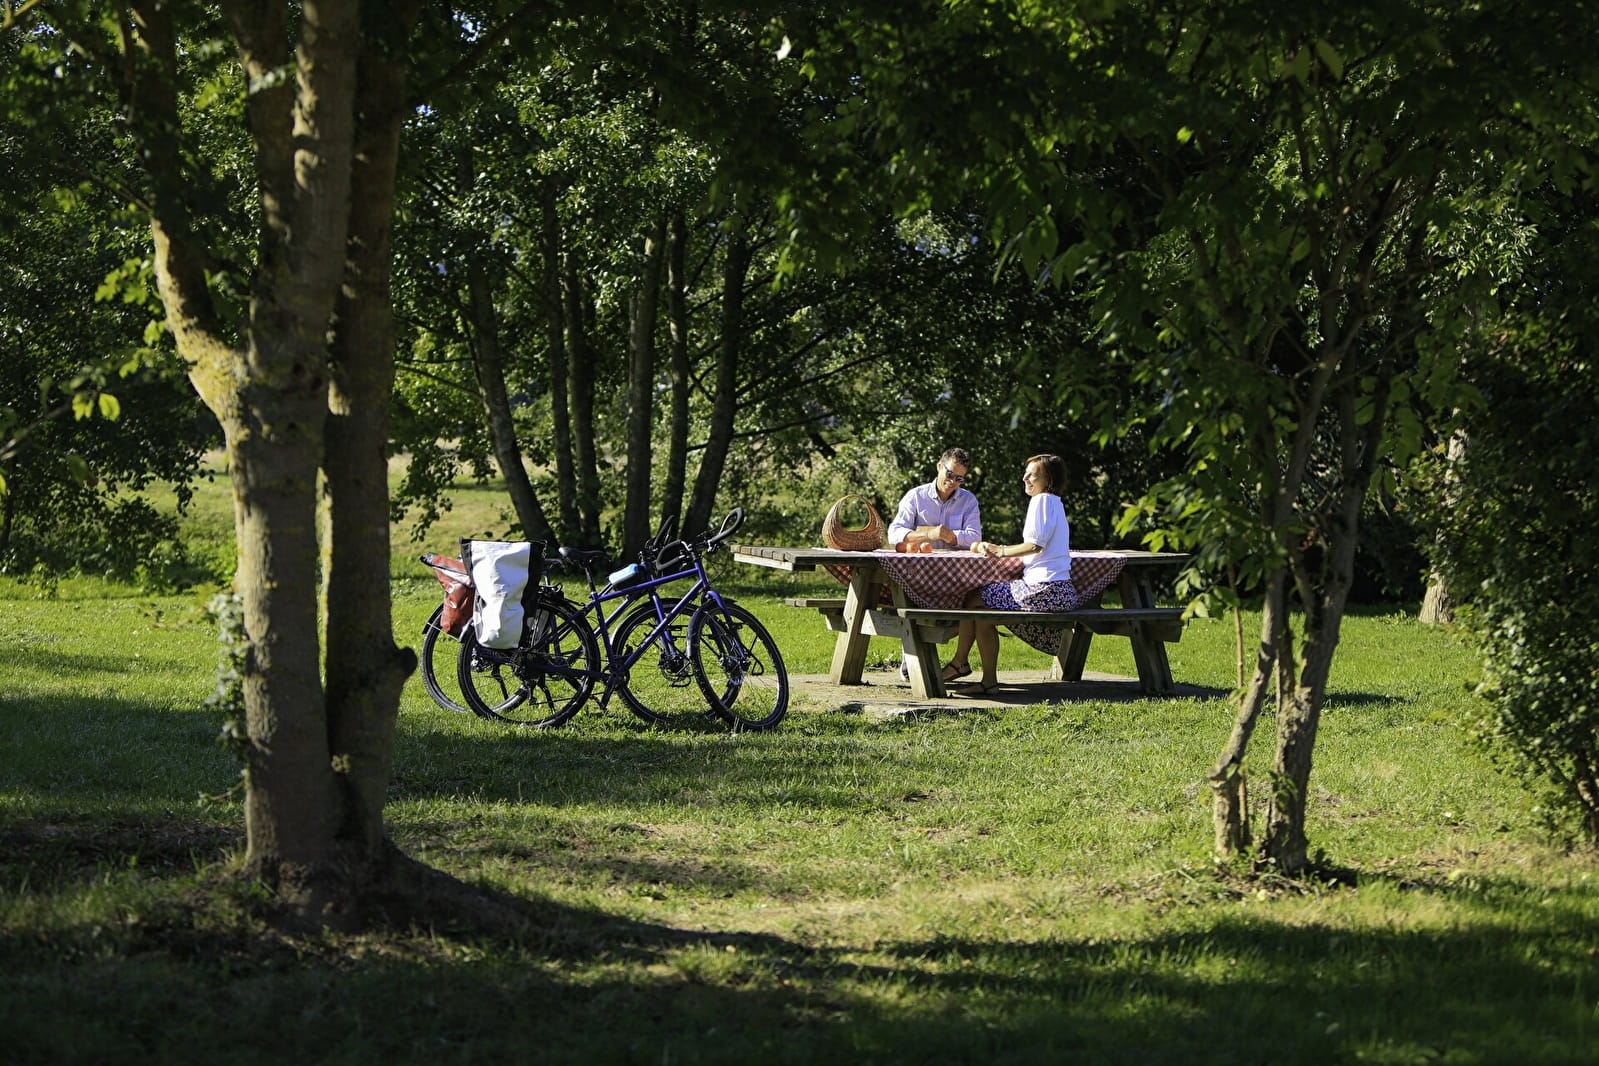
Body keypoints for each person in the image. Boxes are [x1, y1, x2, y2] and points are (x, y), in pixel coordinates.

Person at [945, 453, 1078, 694]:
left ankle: (964, 666)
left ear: (1048, 480)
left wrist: (1001, 550)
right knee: (980, 610)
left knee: (975, 598)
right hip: (1061, 591)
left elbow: (1035, 545)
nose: (1025, 478)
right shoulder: (1055, 502)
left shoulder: (1041, 501)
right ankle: (980, 677)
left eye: (1032, 475)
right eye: (1025, 474)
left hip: (1044, 590)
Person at [887, 447, 982, 551]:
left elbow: (975, 538)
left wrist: (949, 535)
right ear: (939, 466)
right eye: (949, 474)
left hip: (955, 561)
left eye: (959, 478)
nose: (952, 481)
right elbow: (894, 534)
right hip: (919, 560)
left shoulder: (969, 501)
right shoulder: (915, 496)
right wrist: (929, 533)